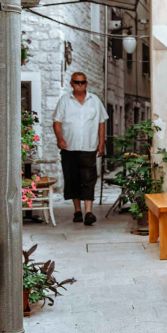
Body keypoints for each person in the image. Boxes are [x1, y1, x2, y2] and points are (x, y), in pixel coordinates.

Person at [53, 72, 107, 226]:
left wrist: (101, 144)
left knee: (89, 179)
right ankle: (77, 210)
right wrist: (60, 139)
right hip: (69, 147)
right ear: (71, 83)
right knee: (72, 179)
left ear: (86, 83)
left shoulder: (95, 101)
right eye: (77, 82)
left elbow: (101, 123)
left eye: (83, 82)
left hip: (89, 147)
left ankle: (88, 212)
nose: (80, 85)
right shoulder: (65, 100)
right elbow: (57, 121)